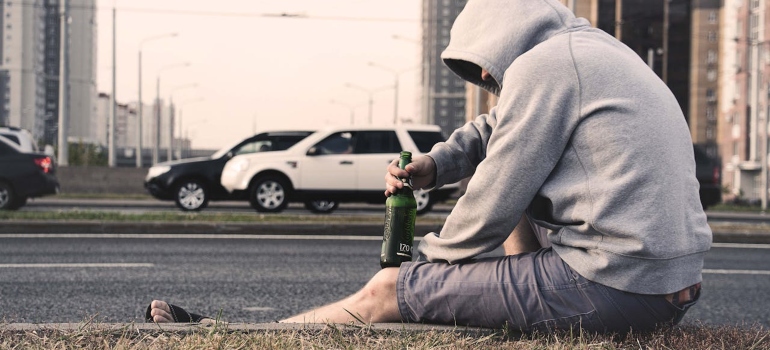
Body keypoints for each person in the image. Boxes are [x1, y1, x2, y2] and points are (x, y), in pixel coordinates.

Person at [147, 0, 711, 333]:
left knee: (385, 293)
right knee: (497, 167)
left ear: (497, 39)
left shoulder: (548, 67)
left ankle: (243, 335)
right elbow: (497, 132)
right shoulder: (594, 52)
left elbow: (495, 194)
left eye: (483, 70)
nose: (487, 83)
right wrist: (435, 164)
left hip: (618, 287)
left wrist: (423, 272)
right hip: (670, 282)